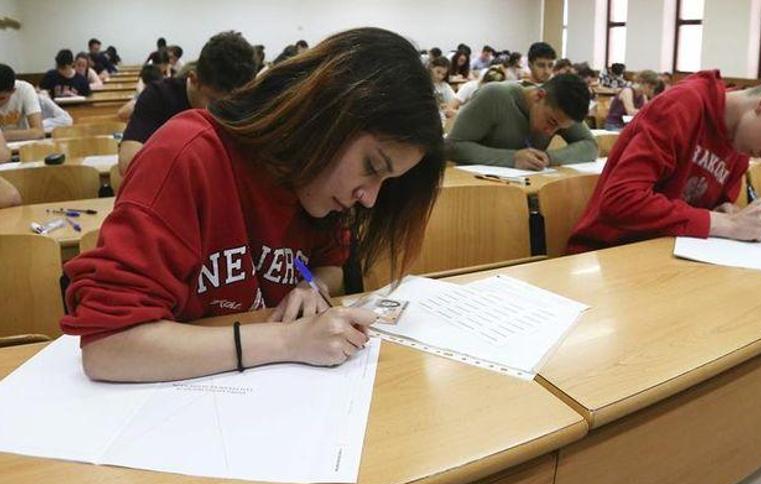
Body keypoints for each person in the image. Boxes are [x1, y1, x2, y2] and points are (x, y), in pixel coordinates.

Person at [60, 27, 444, 383]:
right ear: (323, 115)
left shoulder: (324, 193)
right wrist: (287, 341)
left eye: (385, 181)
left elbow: (331, 264)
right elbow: (107, 346)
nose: (370, 197)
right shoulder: (188, 155)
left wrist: (311, 287)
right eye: (372, 167)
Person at [566, 71, 761, 253]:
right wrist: (727, 225)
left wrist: (731, 213)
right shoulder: (683, 105)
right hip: (608, 252)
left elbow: (710, 212)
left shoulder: (740, 145)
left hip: (669, 256)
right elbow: (620, 201)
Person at [118, 31, 257, 174]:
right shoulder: (158, 96)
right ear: (194, 79)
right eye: (214, 101)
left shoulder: (243, 104)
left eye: (234, 102)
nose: (224, 112)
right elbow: (127, 164)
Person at [447, 74, 597, 169]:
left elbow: (590, 146)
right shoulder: (494, 96)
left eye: (559, 128)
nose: (551, 132)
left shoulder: (562, 112)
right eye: (551, 122)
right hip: (479, 191)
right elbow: (452, 146)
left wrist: (549, 158)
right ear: (539, 96)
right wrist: (512, 159)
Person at [0, 64, 44, 141]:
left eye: (1, 98)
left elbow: (39, 132)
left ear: (13, 91)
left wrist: (2, 136)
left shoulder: (25, 89)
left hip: (22, 144)